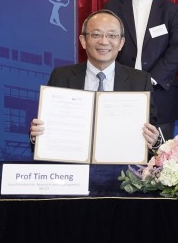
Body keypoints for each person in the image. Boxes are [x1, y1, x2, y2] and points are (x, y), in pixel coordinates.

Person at [29, 9, 161, 149]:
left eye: (112, 35)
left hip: (120, 166)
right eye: (96, 34)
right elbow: (48, 126)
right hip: (73, 163)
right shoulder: (61, 76)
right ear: (83, 41)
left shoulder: (139, 81)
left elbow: (150, 130)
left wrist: (154, 141)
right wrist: (36, 137)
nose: (104, 41)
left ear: (121, 43)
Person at [104, 0, 178, 141]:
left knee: (161, 161)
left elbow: (177, 47)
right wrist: (127, 78)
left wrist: (150, 79)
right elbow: (105, 47)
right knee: (120, 151)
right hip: (120, 91)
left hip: (161, 93)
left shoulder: (170, 10)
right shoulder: (111, 8)